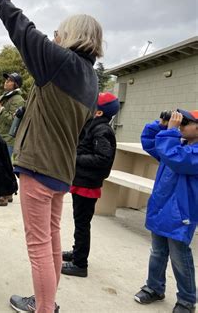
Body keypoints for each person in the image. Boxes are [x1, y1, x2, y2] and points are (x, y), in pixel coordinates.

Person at [0, 0, 102, 313]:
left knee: (39, 245)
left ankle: (43, 308)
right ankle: (46, 302)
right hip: (61, 172)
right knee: (52, 238)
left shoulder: (60, 62)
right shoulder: (90, 78)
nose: (54, 38)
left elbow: (25, 32)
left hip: (40, 167)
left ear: (72, 37)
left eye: (60, 33)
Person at [134, 109, 198, 313]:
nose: (180, 124)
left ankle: (187, 300)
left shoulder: (190, 151)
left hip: (182, 213)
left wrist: (169, 132)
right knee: (158, 251)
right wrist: (161, 124)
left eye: (186, 122)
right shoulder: (175, 142)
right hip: (161, 207)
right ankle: (154, 287)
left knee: (180, 256)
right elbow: (150, 142)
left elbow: (178, 160)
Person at [61, 92, 119, 278]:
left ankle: (80, 263)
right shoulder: (93, 126)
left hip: (88, 184)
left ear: (100, 112)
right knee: (80, 221)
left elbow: (103, 159)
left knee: (82, 223)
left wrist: (75, 158)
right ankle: (77, 251)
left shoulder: (102, 131)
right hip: (81, 180)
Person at [0, 72, 25, 206]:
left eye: (9, 80)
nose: (6, 82)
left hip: (9, 138)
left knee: (3, 166)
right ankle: (8, 192)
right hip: (2, 136)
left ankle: (2, 196)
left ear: (16, 84)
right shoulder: (7, 97)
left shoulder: (17, 99)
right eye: (6, 80)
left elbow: (14, 120)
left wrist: (0, 109)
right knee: (5, 166)